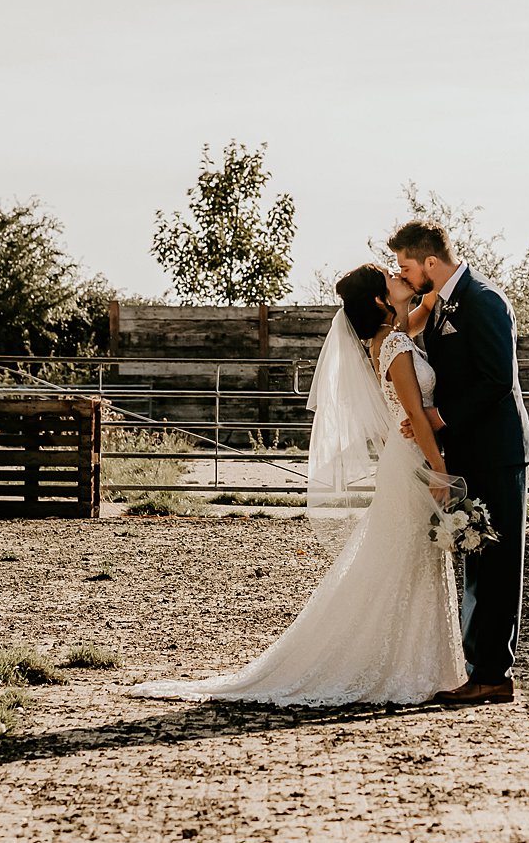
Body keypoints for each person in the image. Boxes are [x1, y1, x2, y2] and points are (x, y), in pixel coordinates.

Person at [126, 264, 465, 707]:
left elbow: (419, 310)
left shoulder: (390, 335)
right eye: (392, 279)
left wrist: (432, 288)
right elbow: (416, 417)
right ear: (381, 301)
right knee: (407, 557)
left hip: (403, 460)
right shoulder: (395, 344)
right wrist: (438, 472)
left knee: (407, 557)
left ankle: (420, 661)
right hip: (414, 463)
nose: (399, 278)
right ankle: (404, 665)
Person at [389, 219, 529, 705]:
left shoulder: (486, 300)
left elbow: (497, 380)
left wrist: (437, 415)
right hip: (469, 451)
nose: (404, 274)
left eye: (406, 266)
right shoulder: (440, 304)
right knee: (477, 558)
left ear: (430, 262)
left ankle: (493, 673)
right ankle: (482, 667)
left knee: (497, 563)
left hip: (497, 452)